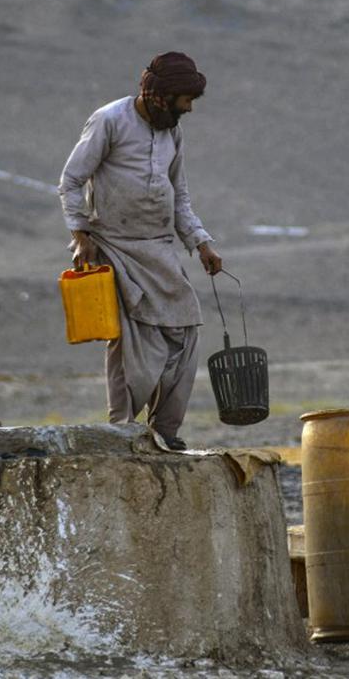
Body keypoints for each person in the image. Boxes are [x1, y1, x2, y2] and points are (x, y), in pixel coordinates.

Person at [58, 52, 222, 451]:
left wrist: (201, 242)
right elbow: (71, 180)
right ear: (161, 96)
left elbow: (178, 195)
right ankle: (122, 428)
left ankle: (165, 430)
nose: (189, 109)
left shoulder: (172, 132)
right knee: (132, 340)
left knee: (184, 330)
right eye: (185, 100)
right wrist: (81, 233)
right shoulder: (109, 120)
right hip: (112, 246)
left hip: (159, 247)